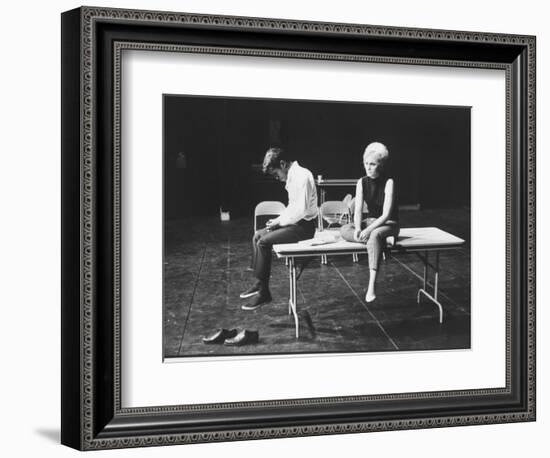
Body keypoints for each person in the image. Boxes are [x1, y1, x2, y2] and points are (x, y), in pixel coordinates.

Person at [240, 148, 318, 310]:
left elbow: (301, 211)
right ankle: (260, 282)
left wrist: (280, 223)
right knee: (257, 235)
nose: (277, 178)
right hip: (295, 223)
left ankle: (264, 293)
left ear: (283, 164)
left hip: (304, 228)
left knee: (263, 243)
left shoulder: (302, 176)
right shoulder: (293, 176)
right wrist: (278, 220)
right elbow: (292, 208)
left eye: (276, 174)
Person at [340, 142, 399, 303]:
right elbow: (358, 210)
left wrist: (368, 231)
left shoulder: (389, 182)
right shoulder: (362, 182)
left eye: (372, 164)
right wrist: (358, 228)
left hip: (389, 224)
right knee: (345, 229)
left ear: (381, 164)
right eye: (366, 164)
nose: (368, 167)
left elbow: (386, 215)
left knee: (373, 236)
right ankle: (381, 241)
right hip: (371, 222)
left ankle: (372, 285)